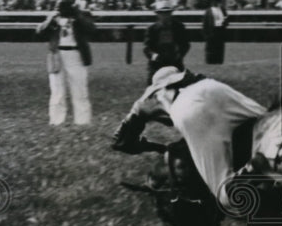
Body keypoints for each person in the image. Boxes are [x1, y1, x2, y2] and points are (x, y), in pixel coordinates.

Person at [111, 65, 266, 208]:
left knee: (224, 195)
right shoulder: (196, 78)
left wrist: (146, 146)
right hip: (216, 90)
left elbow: (120, 141)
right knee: (269, 124)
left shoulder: (149, 98)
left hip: (189, 108)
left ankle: (252, 170)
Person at [36, 0, 95, 126]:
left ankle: (83, 121)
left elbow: (92, 29)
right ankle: (56, 120)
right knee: (57, 89)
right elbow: (39, 32)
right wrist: (52, 20)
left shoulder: (82, 14)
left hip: (76, 54)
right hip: (57, 54)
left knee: (80, 90)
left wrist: (77, 15)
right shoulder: (54, 17)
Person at [143, 0, 190, 83]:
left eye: (167, 13)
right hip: (157, 63)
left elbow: (185, 44)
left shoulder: (179, 27)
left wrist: (179, 54)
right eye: (161, 13)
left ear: (171, 13)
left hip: (174, 61)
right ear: (157, 14)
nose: (165, 15)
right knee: (154, 86)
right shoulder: (152, 29)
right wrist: (153, 55)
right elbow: (147, 47)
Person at [203, 0, 229, 64]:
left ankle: (219, 60)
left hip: (220, 30)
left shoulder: (222, 10)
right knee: (210, 47)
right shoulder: (208, 11)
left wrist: (225, 21)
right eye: (213, 1)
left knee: (219, 47)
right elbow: (205, 23)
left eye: (216, 1)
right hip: (212, 31)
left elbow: (226, 20)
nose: (215, 2)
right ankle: (210, 61)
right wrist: (206, 34)